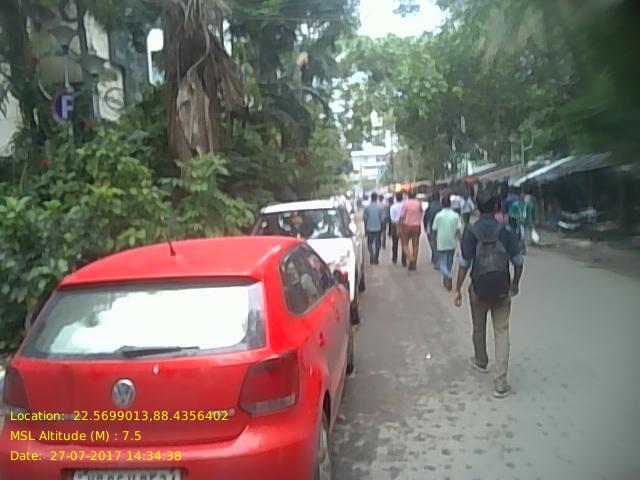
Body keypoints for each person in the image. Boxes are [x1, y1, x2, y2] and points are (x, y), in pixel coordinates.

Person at [453, 191, 524, 399]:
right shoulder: (506, 230)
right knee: (502, 331)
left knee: (478, 326)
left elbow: (464, 264)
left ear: (477, 207)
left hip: (478, 287)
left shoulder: (470, 231)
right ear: (496, 208)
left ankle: (481, 360)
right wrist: (515, 284)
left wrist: (457, 289)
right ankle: (500, 383)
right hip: (502, 288)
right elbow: (518, 261)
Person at [432, 196, 463, 290]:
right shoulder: (455, 215)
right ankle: (447, 278)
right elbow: (458, 230)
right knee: (449, 262)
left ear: (442, 204)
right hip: (452, 241)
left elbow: (434, 229)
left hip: (441, 241)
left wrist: (434, 240)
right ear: (450, 204)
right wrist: (460, 241)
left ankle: (447, 276)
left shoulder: (438, 215)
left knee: (442, 263)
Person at [400, 191, 423, 271]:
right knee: (415, 245)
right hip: (416, 226)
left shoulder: (405, 203)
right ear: (415, 196)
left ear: (408, 196)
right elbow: (421, 212)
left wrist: (400, 224)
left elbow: (402, 215)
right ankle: (414, 263)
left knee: (404, 244)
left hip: (407, 225)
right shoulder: (418, 203)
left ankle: (410, 258)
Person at [363, 192, 384, 265]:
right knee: (378, 243)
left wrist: (365, 229)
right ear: (376, 198)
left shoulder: (367, 207)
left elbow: (365, 219)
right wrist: (382, 228)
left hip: (369, 228)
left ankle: (372, 255)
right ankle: (376, 257)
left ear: (371, 198)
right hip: (378, 228)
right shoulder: (380, 207)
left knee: (369, 243)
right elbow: (382, 219)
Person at [423, 192, 443, 269]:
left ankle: (435, 257)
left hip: (432, 227)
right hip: (441, 227)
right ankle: (436, 257)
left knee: (432, 242)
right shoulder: (442, 206)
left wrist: (425, 226)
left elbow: (425, 218)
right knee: (439, 242)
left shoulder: (430, 206)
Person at [389, 192, 407, 266]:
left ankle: (394, 258)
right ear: (402, 198)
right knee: (404, 243)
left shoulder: (393, 207)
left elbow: (392, 218)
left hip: (395, 225)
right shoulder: (405, 206)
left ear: (396, 198)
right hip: (404, 225)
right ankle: (404, 260)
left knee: (395, 243)